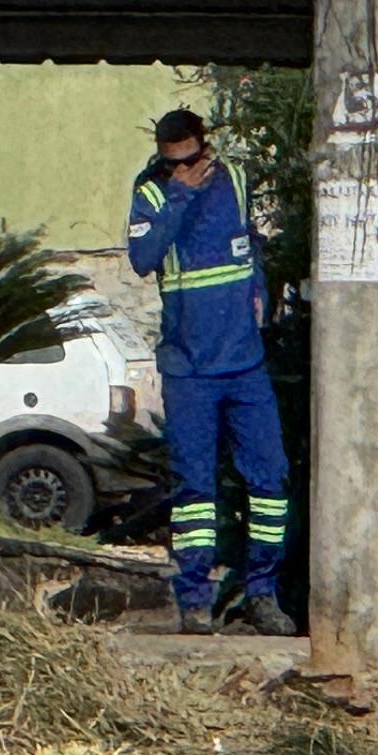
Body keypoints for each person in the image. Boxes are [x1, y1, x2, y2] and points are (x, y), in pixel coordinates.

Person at [124, 105, 295, 637]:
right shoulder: (153, 192)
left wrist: (261, 292)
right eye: (170, 162)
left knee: (270, 480)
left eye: (190, 160)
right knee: (195, 489)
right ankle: (194, 601)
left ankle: (261, 593)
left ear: (206, 146)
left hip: (244, 365)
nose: (182, 169)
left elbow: (251, 247)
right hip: (188, 368)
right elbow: (143, 257)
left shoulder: (236, 181)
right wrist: (180, 194)